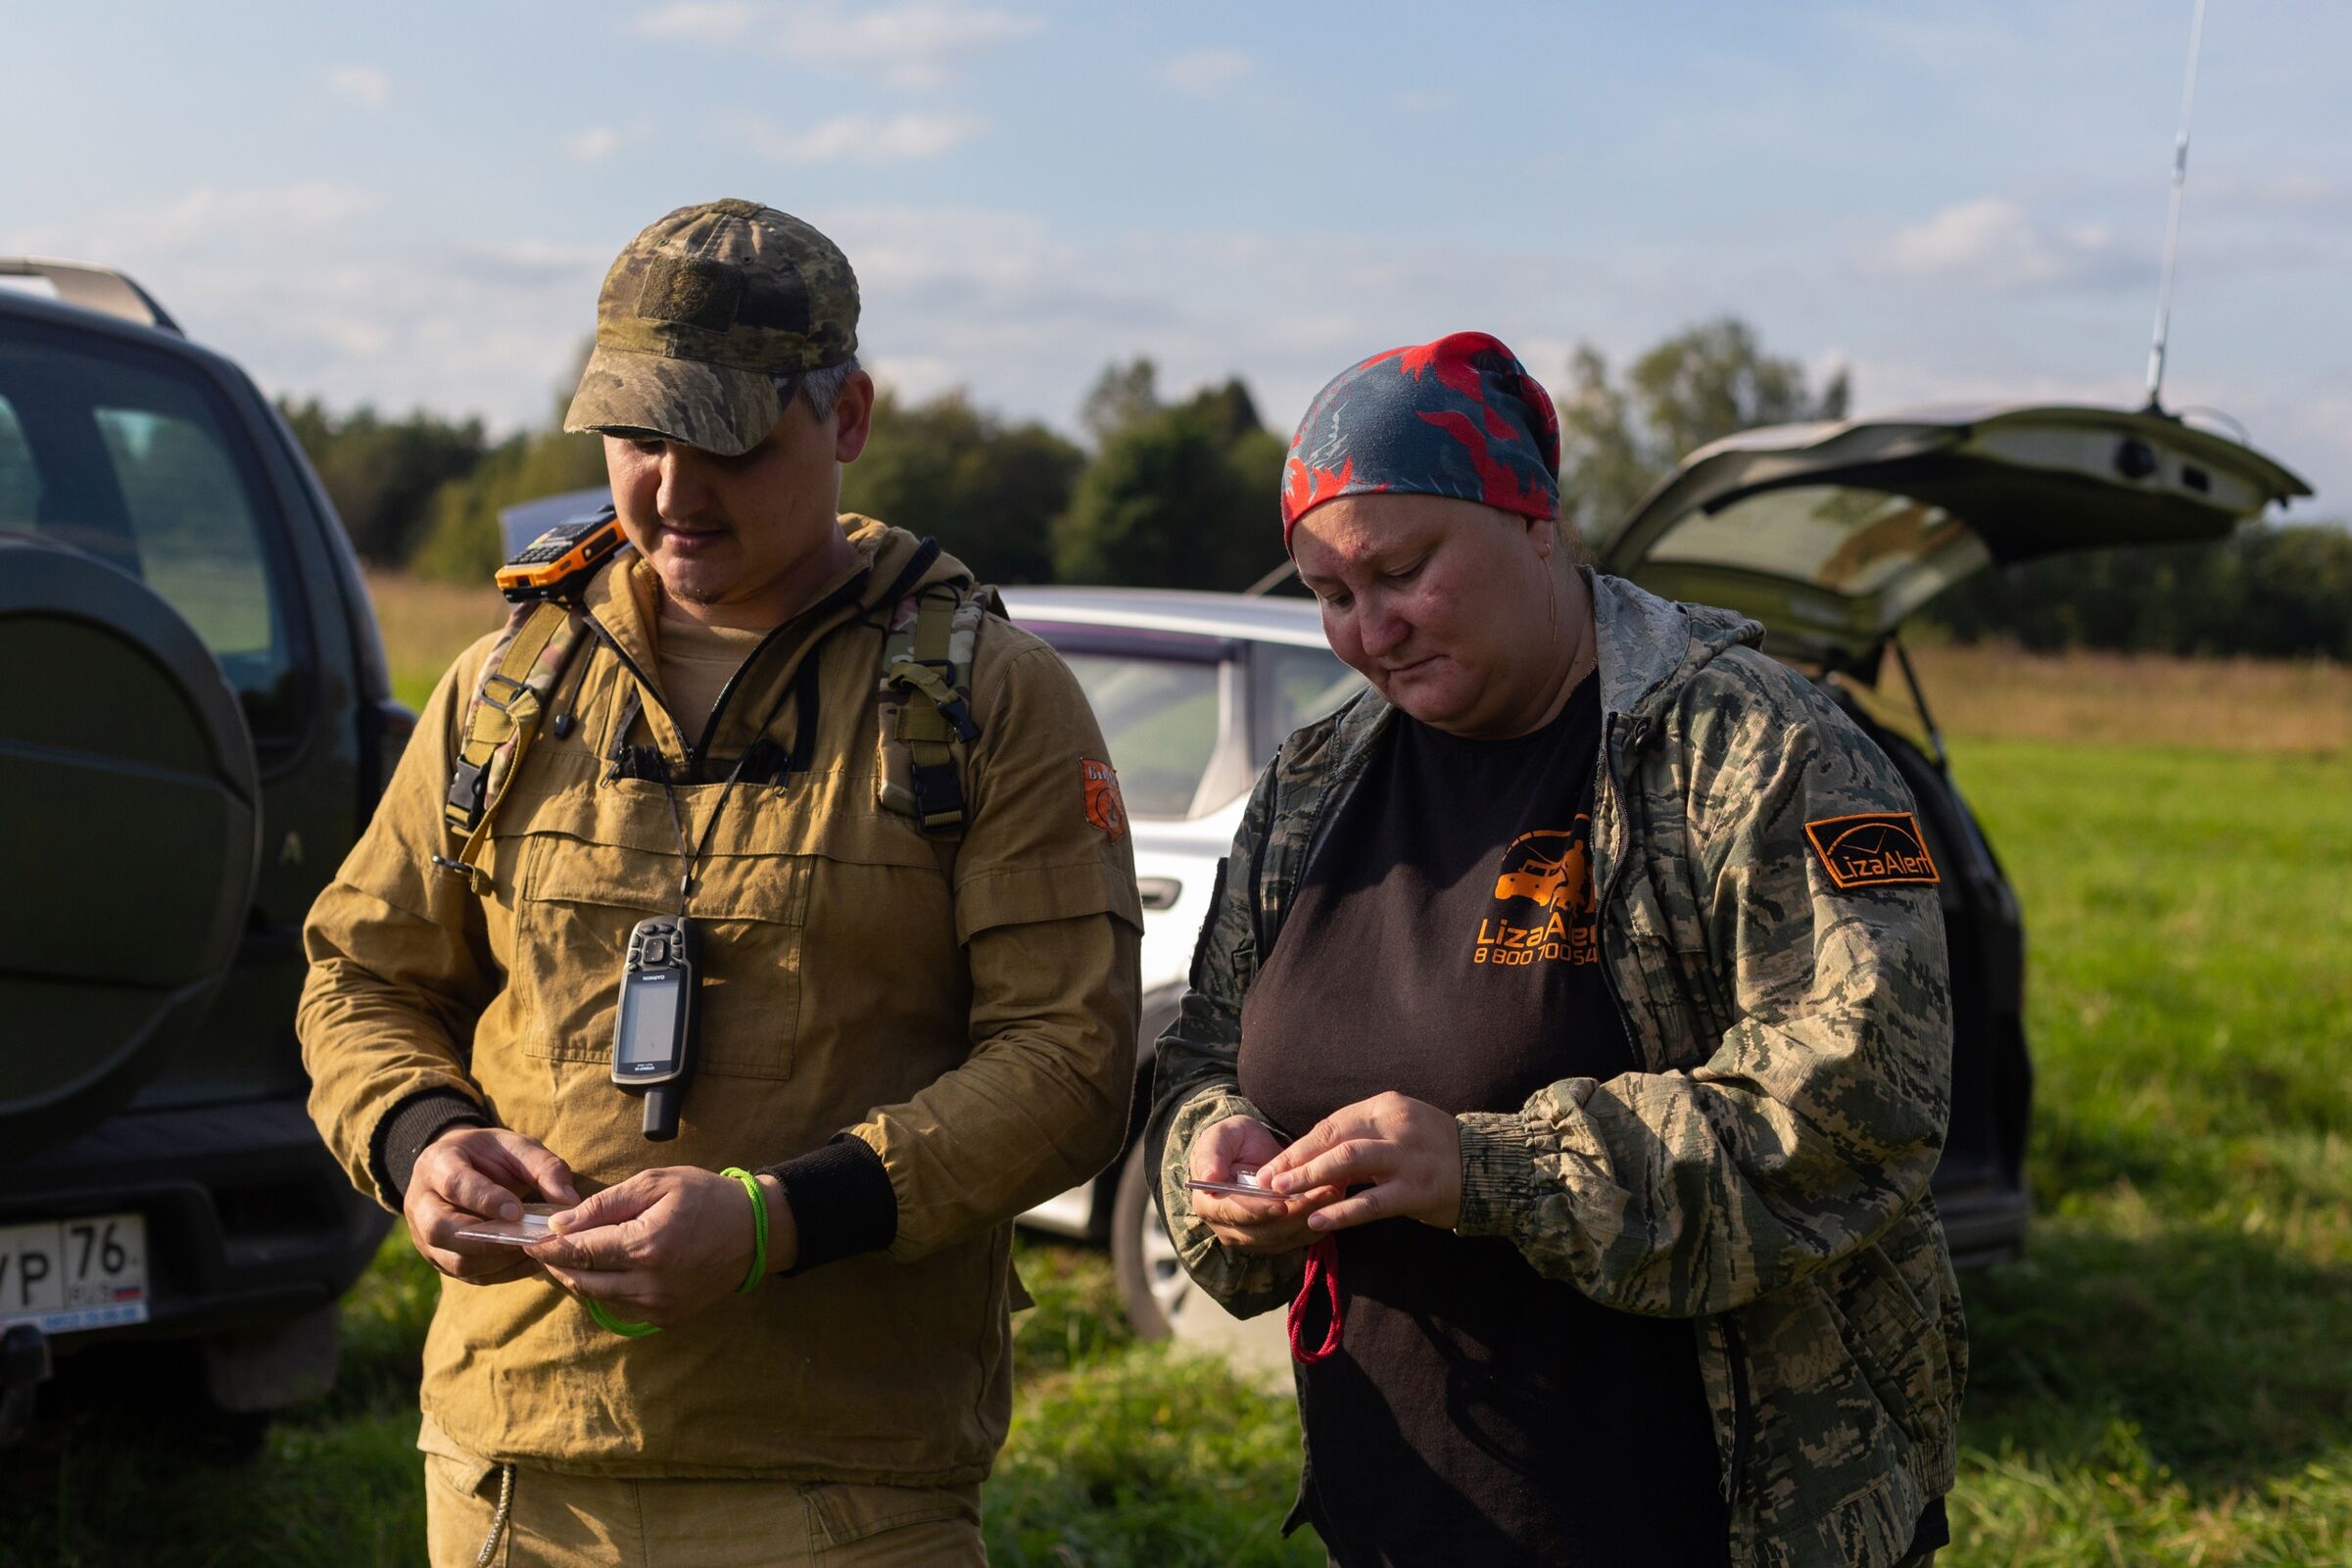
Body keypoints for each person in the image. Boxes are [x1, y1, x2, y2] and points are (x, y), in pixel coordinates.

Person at [300, 199, 1141, 1567]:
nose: (674, 495)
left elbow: (1069, 1060)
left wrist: (775, 1222)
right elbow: (361, 973)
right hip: (516, 1475)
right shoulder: (506, 684)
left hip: (843, 1492)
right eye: (638, 439)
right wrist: (418, 1145)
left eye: (728, 441)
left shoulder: (990, 698)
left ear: (849, 415)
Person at [1146, 331, 1963, 1568]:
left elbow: (1860, 1105)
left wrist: (1489, 1171)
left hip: (1714, 1517)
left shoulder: (1756, 745)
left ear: (1535, 519)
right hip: (1402, 1513)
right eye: (1329, 596)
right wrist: (1215, 1161)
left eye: (1403, 571)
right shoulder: (1315, 781)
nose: (1371, 628)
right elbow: (1204, 1050)